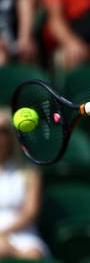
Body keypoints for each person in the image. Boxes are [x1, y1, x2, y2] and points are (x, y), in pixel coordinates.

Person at [0, 108, 49, 259]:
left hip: (24, 234)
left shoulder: (29, 172)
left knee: (34, 255)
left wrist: (4, 234)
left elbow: (30, 212)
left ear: (11, 136)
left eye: (3, 131)